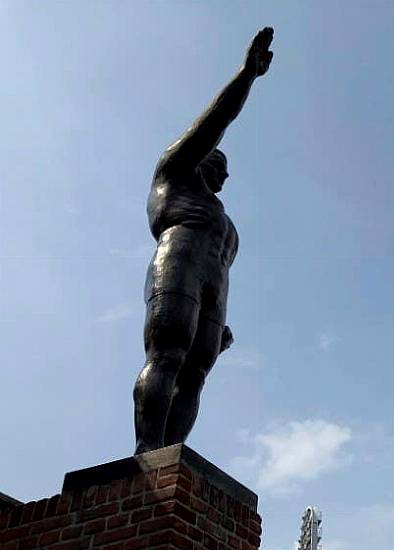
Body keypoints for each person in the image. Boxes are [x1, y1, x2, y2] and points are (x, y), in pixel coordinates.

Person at [133, 27, 274, 454]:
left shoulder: (223, 219)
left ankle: (171, 455)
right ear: (200, 157)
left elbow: (222, 270)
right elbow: (216, 122)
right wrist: (246, 75)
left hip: (213, 289)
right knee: (168, 355)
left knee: (196, 372)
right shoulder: (173, 174)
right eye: (219, 162)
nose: (225, 175)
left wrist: (219, 319)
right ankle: (147, 451)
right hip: (177, 267)